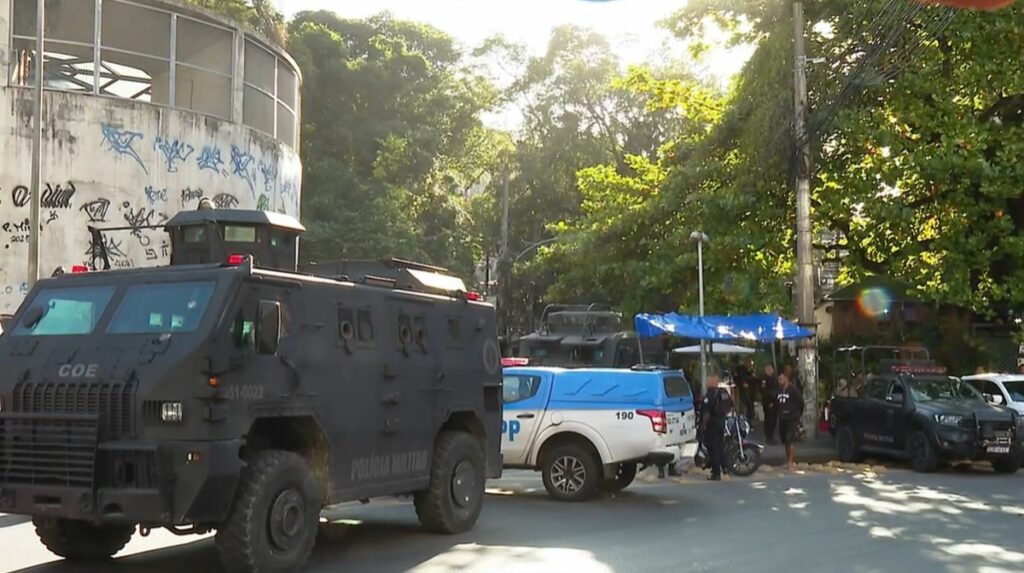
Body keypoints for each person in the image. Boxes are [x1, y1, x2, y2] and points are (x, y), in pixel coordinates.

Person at [701, 373, 734, 481]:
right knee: (720, 446)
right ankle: (725, 468)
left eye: (708, 381)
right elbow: (731, 405)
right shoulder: (723, 392)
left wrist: (704, 425)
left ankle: (716, 473)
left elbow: (706, 413)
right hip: (721, 421)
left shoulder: (710, 394)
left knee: (713, 448)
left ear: (712, 382)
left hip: (712, 423)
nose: (707, 383)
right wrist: (722, 414)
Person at [776, 373, 805, 471]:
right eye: (778, 379)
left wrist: (797, 414)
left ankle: (791, 462)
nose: (779, 381)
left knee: (790, 440)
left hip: (792, 418)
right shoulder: (779, 390)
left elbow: (800, 402)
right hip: (782, 418)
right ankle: (787, 461)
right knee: (785, 441)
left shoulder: (793, 390)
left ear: (786, 379)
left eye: (781, 379)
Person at [760, 363, 779, 444]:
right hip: (768, 402)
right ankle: (769, 437)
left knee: (773, 420)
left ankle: (771, 436)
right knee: (769, 420)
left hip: (774, 401)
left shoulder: (775, 378)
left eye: (770, 369)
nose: (770, 370)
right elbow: (764, 391)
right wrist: (769, 401)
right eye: (768, 369)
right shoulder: (765, 379)